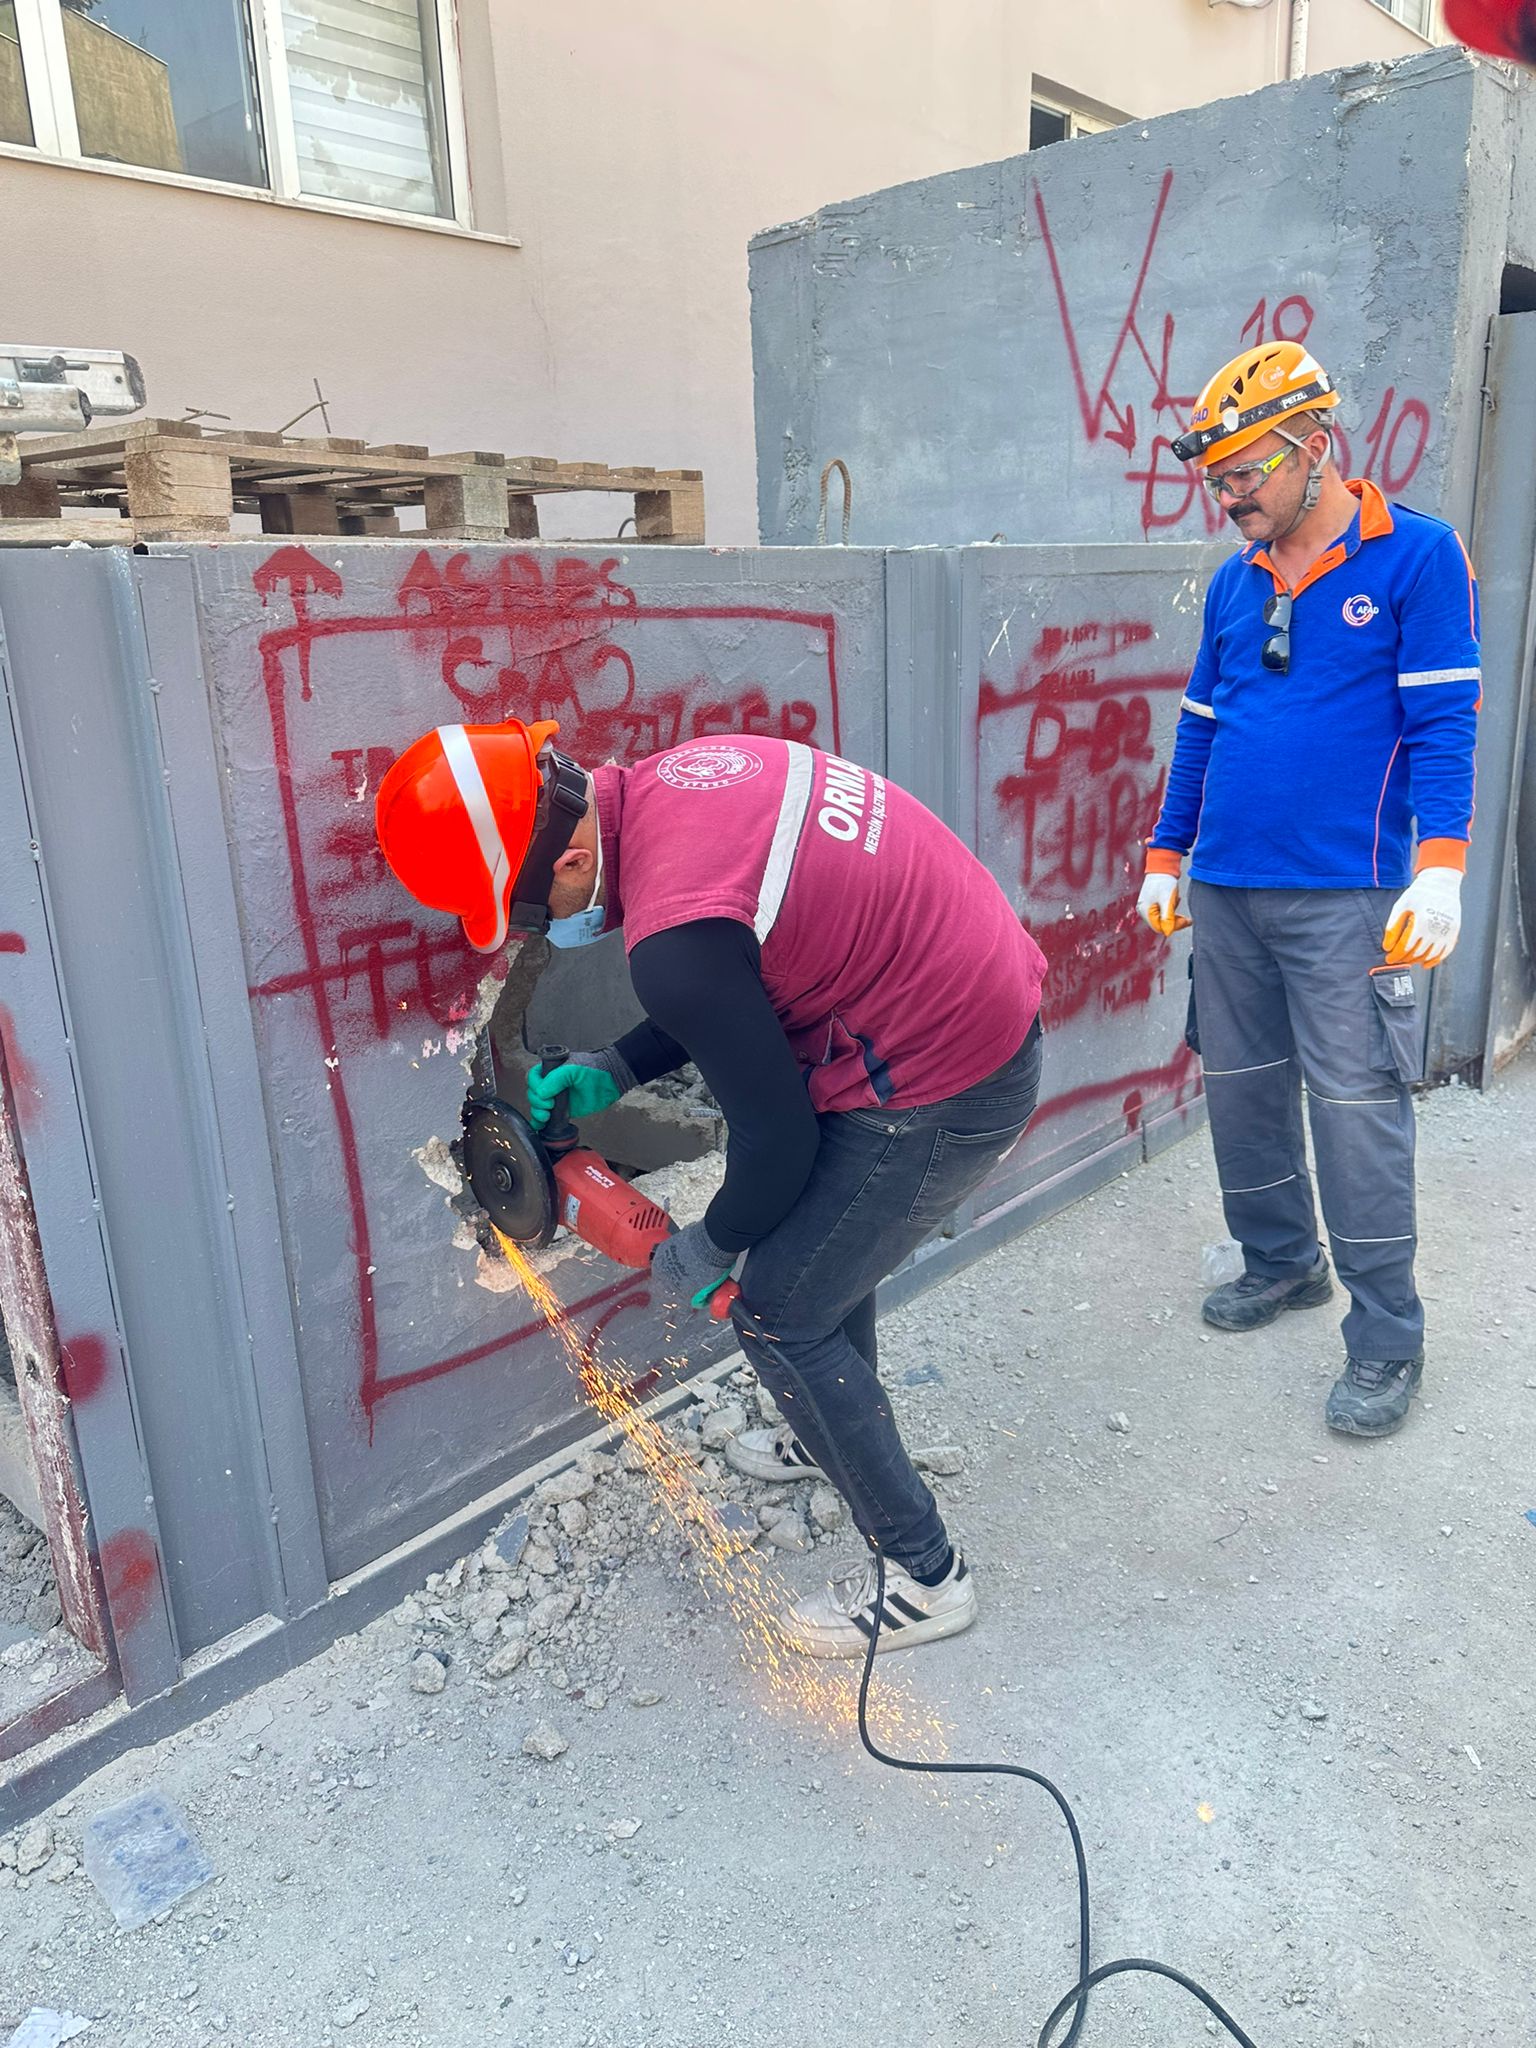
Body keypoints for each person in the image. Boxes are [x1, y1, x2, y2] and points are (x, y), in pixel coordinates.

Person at [376, 725, 1046, 1655]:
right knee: (815, 1266)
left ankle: (926, 1577)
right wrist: (618, 1065)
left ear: (570, 858)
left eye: (527, 909)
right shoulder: (684, 781)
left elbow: (779, 1143)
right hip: (964, 1002)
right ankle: (831, 1438)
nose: (532, 929)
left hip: (947, 1078)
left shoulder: (673, 940)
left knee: (779, 1313)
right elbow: (736, 976)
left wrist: (705, 1246)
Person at [1136, 341, 1479, 1438]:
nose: (1230, 497)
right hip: (1229, 886)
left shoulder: (1417, 555)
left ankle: (1387, 1338)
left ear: (1314, 445)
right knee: (1241, 1091)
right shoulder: (1236, 581)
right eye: (1218, 478)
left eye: (1246, 473)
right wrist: (1166, 852)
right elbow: (1202, 723)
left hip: (1346, 895)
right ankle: (1283, 1261)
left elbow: (1445, 718)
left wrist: (1441, 865)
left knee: (1357, 1112)